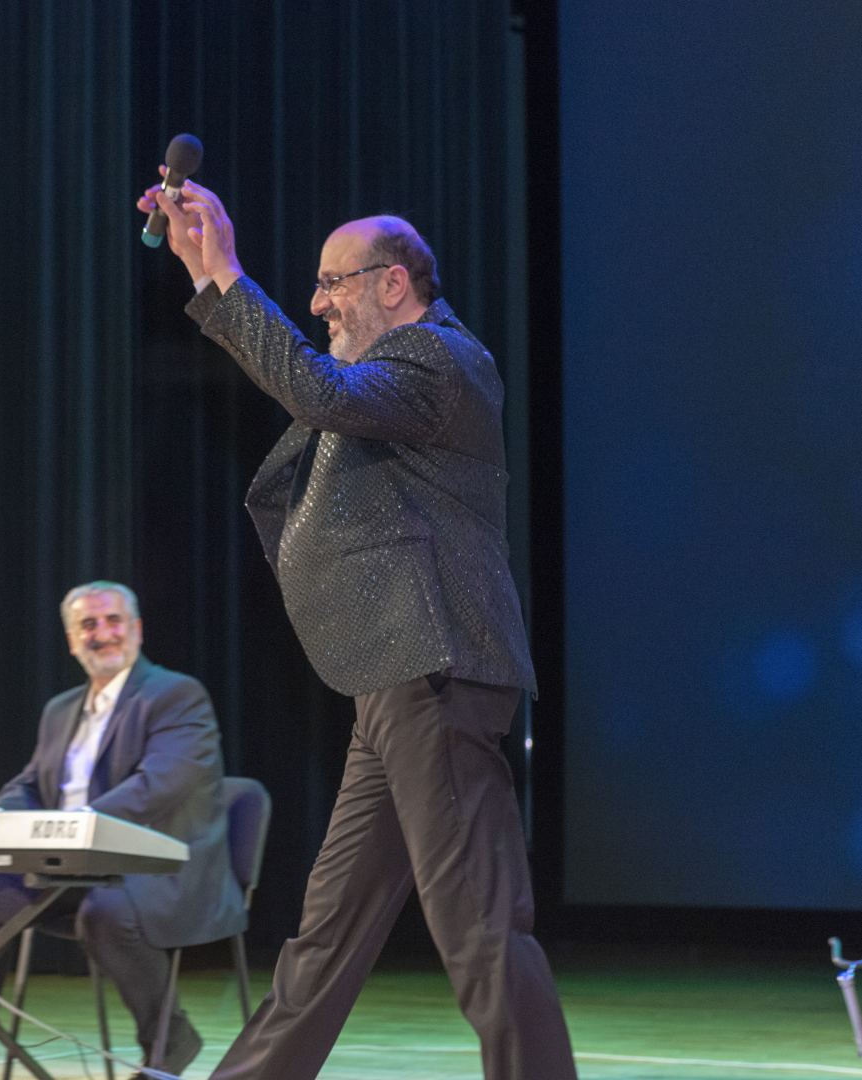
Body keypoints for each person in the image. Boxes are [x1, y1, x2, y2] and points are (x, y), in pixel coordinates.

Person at [136, 174, 577, 1079]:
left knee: (479, 924)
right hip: (391, 677)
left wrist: (225, 271)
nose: (317, 302)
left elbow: (315, 391)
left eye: (331, 282)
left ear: (393, 283)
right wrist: (204, 270)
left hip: (435, 666)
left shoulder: (439, 360)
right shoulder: (389, 379)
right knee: (328, 934)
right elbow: (319, 391)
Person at [0, 581, 243, 1080]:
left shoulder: (176, 695)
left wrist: (72, 827)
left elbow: (161, 784)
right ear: (73, 641)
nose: (103, 633)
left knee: (106, 911)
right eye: (88, 625)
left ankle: (169, 1039)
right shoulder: (61, 709)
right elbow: (31, 784)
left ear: (137, 629)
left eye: (114, 621)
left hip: (160, 872)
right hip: (74, 868)